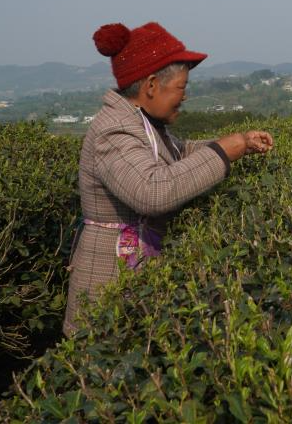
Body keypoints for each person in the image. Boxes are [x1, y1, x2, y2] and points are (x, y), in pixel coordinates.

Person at [63, 21, 274, 335]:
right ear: (151, 85)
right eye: (181, 87)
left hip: (132, 275)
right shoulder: (115, 130)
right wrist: (225, 151)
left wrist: (238, 143)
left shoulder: (141, 123)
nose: (184, 97)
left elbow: (179, 152)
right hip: (109, 281)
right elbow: (151, 192)